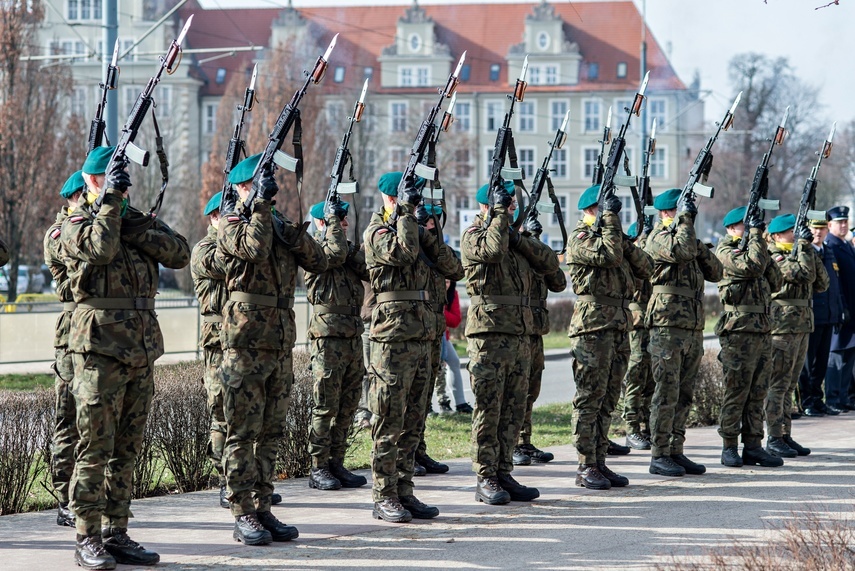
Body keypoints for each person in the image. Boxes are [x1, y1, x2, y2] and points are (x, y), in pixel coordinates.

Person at [60, 146, 190, 568]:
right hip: (99, 351)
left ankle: (117, 532)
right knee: (95, 445)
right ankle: (87, 536)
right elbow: (97, 248)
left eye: (119, 181)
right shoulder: (75, 222)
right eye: (106, 180)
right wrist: (111, 203)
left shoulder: (127, 221)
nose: (117, 187)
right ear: (91, 181)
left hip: (139, 349)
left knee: (127, 448)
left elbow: (178, 253)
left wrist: (129, 218)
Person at [217, 153, 327, 545]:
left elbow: (317, 260)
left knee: (271, 432)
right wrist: (258, 207)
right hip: (245, 344)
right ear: (242, 188)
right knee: (242, 433)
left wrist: (291, 224)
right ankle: (242, 511)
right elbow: (254, 249)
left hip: (279, 343)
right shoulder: (232, 222)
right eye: (256, 186)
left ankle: (263, 507)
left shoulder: (275, 223)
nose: (265, 191)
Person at [462, 180, 561, 504]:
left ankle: (504, 471)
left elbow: (551, 268)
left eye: (514, 204)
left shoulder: (516, 242)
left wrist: (522, 237)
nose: (513, 208)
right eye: (507, 204)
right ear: (487, 206)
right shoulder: (474, 235)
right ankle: (485, 476)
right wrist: (501, 217)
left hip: (520, 338)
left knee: (514, 410)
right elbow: (492, 250)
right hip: (489, 338)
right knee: (489, 409)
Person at [363, 171, 440, 522]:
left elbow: (450, 267)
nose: (415, 205)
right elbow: (405, 254)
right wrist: (407, 217)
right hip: (392, 339)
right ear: (391, 199)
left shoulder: (414, 228)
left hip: (421, 337)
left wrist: (430, 232)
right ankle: (384, 495)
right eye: (409, 200)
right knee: (389, 420)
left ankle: (405, 491)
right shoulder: (377, 232)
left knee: (413, 420)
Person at [566, 185, 652, 490]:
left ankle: (600, 461)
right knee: (589, 398)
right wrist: (612, 220)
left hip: (617, 326)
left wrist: (626, 241)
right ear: (592, 211)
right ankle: (585, 464)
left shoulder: (612, 238)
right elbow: (608, 254)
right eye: (606, 209)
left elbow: (646, 267)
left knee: (608, 398)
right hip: (592, 327)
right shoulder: (581, 238)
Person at [644, 189, 723, 477]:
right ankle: (659, 454)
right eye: (679, 211)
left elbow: (716, 272)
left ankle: (676, 449)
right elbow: (681, 251)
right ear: (666, 213)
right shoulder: (657, 238)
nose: (685, 216)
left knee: (685, 393)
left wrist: (701, 245)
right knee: (666, 392)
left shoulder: (688, 239)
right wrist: (687, 220)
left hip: (691, 327)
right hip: (666, 327)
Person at [305, 199, 370, 490]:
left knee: (348, 404)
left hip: (352, 335)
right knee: (325, 405)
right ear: (323, 223)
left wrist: (345, 238)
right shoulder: (315, 250)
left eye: (343, 219)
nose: (344, 224)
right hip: (328, 338)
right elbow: (333, 253)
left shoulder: (346, 249)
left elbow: (368, 268)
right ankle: (318, 467)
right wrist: (332, 227)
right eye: (337, 219)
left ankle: (337, 462)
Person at [714, 206, 783, 468]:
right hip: (739, 331)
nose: (751, 229)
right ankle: (729, 445)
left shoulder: (756, 248)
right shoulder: (725, 251)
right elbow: (752, 268)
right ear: (732, 228)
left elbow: (776, 281)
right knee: (737, 391)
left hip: (763, 330)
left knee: (757, 392)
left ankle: (753, 445)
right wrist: (756, 238)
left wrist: (761, 244)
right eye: (746, 225)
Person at [765, 214, 828, 458]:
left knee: (790, 385)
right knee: (778, 385)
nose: (797, 234)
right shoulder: (773, 255)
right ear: (778, 235)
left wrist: (808, 249)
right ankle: (773, 436)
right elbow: (803, 275)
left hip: (801, 326)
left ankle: (784, 434)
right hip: (781, 327)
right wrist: (803, 246)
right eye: (792, 231)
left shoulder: (802, 252)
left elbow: (822, 282)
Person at [44, 170, 85, 527]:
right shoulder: (58, 234)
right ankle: (64, 498)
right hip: (72, 336)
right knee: (67, 419)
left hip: (100, 337)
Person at [414, 203, 464, 474]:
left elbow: (456, 269)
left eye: (435, 221)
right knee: (405, 400)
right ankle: (405, 456)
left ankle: (418, 450)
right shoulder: (395, 235)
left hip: (433, 332)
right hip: (409, 331)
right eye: (428, 221)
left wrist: (431, 238)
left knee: (423, 397)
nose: (432, 225)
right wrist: (416, 231)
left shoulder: (435, 246)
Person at [514, 214, 566, 465]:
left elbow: (558, 282)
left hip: (536, 328)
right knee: (515, 391)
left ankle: (524, 441)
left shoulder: (534, 251)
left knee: (531, 391)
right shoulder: (513, 250)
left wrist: (538, 243)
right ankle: (512, 443)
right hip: (517, 328)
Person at [190, 192, 231, 508]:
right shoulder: (204, 250)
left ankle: (247, 480)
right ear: (213, 219)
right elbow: (229, 263)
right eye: (224, 215)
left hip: (243, 339)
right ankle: (225, 479)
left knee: (246, 414)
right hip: (218, 342)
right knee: (221, 414)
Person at [799, 217, 843, 416]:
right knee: (808, 363)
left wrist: (839, 310)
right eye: (814, 229)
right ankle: (806, 401)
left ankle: (817, 399)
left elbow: (835, 285)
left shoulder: (828, 252)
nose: (818, 233)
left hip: (828, 315)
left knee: (821, 362)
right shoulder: (805, 253)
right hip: (811, 316)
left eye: (822, 229)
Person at [623, 221, 654, 451]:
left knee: (650, 378)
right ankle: (632, 428)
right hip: (636, 322)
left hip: (651, 320)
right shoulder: (628, 259)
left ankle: (647, 427)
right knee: (635, 376)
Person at [823, 206, 855, 413]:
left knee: (848, 354)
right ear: (830, 225)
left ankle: (844, 397)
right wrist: (841, 307)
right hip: (841, 309)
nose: (843, 225)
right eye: (839, 222)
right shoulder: (831, 245)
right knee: (837, 354)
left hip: (851, 309)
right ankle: (833, 398)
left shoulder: (845, 244)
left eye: (845, 222)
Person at [435, 280, 471, 414]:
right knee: (434, 369)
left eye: (449, 282)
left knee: (454, 361)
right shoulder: (430, 290)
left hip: (443, 335)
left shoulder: (452, 294)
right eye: (443, 281)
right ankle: (434, 404)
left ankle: (460, 403)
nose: (446, 284)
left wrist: (439, 310)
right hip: (428, 334)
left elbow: (455, 320)